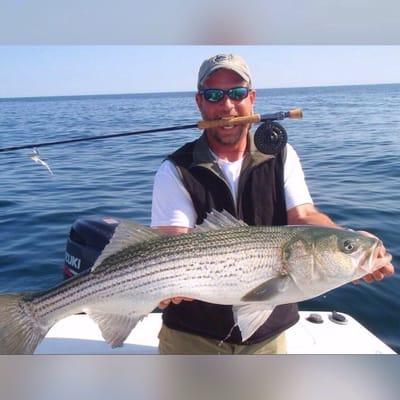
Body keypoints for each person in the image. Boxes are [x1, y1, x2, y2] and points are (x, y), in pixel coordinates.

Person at [150, 53, 394, 354]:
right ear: (200, 102)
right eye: (214, 95)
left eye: (237, 93)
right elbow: (173, 241)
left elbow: (303, 215)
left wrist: (351, 238)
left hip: (267, 341)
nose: (227, 105)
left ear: (252, 98)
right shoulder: (176, 169)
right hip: (190, 339)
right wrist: (160, 286)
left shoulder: (282, 156)